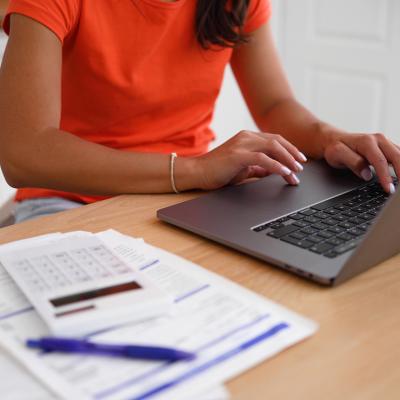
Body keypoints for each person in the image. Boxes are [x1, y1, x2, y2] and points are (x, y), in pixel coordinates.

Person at [0, 0, 399, 224]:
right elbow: (23, 153)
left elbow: (274, 104)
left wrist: (330, 137)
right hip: (71, 200)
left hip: (191, 200)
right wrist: (197, 170)